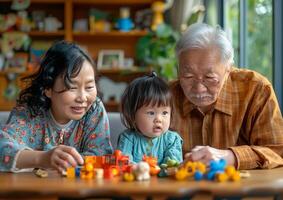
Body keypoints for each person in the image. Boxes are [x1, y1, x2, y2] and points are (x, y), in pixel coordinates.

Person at [170, 23, 283, 170]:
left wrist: (231, 157)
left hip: (245, 190)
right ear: (178, 69)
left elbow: (278, 151)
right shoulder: (165, 96)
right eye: (188, 76)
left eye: (210, 78)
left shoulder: (256, 89)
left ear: (228, 69)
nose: (198, 88)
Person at [0, 40, 113, 172]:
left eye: (89, 87)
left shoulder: (94, 109)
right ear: (48, 88)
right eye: (72, 87)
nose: (83, 97)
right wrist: (43, 159)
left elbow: (101, 155)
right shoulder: (29, 111)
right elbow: (2, 147)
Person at [117, 72, 183, 166]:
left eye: (164, 113)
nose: (159, 119)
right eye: (151, 113)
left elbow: (173, 165)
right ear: (133, 115)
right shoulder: (128, 138)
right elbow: (123, 162)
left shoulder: (172, 140)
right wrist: (139, 169)